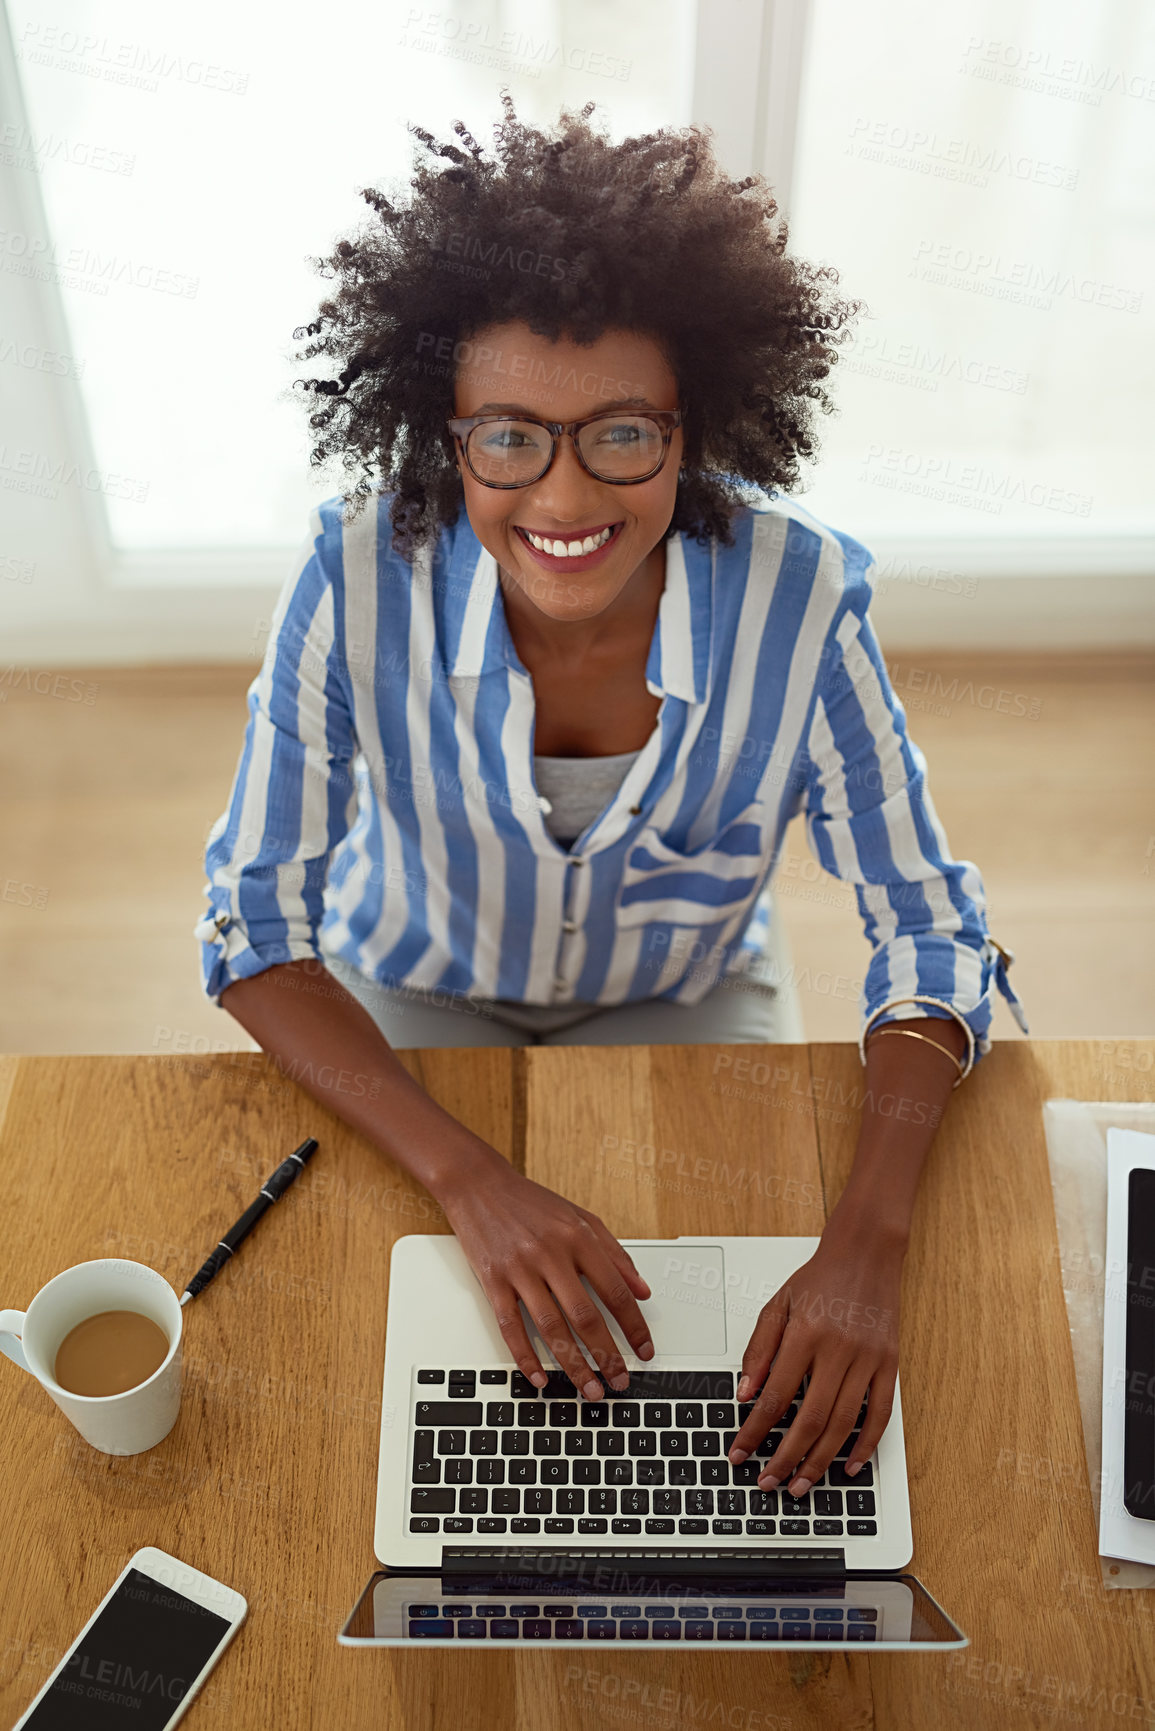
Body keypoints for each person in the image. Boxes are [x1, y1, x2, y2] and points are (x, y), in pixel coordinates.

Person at [195, 93, 1027, 1506]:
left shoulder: (801, 598)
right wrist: (470, 1179)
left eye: (622, 436)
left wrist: (874, 1244)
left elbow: (933, 930)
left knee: (727, 1339)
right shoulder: (351, 579)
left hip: (683, 995)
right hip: (415, 988)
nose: (565, 496)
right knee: (359, 1365)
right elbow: (251, 930)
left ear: (696, 425)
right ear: (440, 433)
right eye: (507, 437)